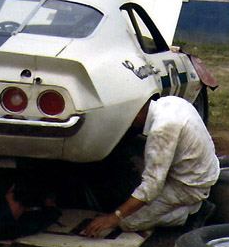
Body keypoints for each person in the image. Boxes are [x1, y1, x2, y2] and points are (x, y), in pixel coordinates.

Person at [84, 96, 220, 237]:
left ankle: (193, 212)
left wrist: (114, 217)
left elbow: (151, 187)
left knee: (127, 222)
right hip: (203, 169)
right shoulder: (170, 102)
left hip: (189, 186)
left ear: (135, 114)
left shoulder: (161, 130)